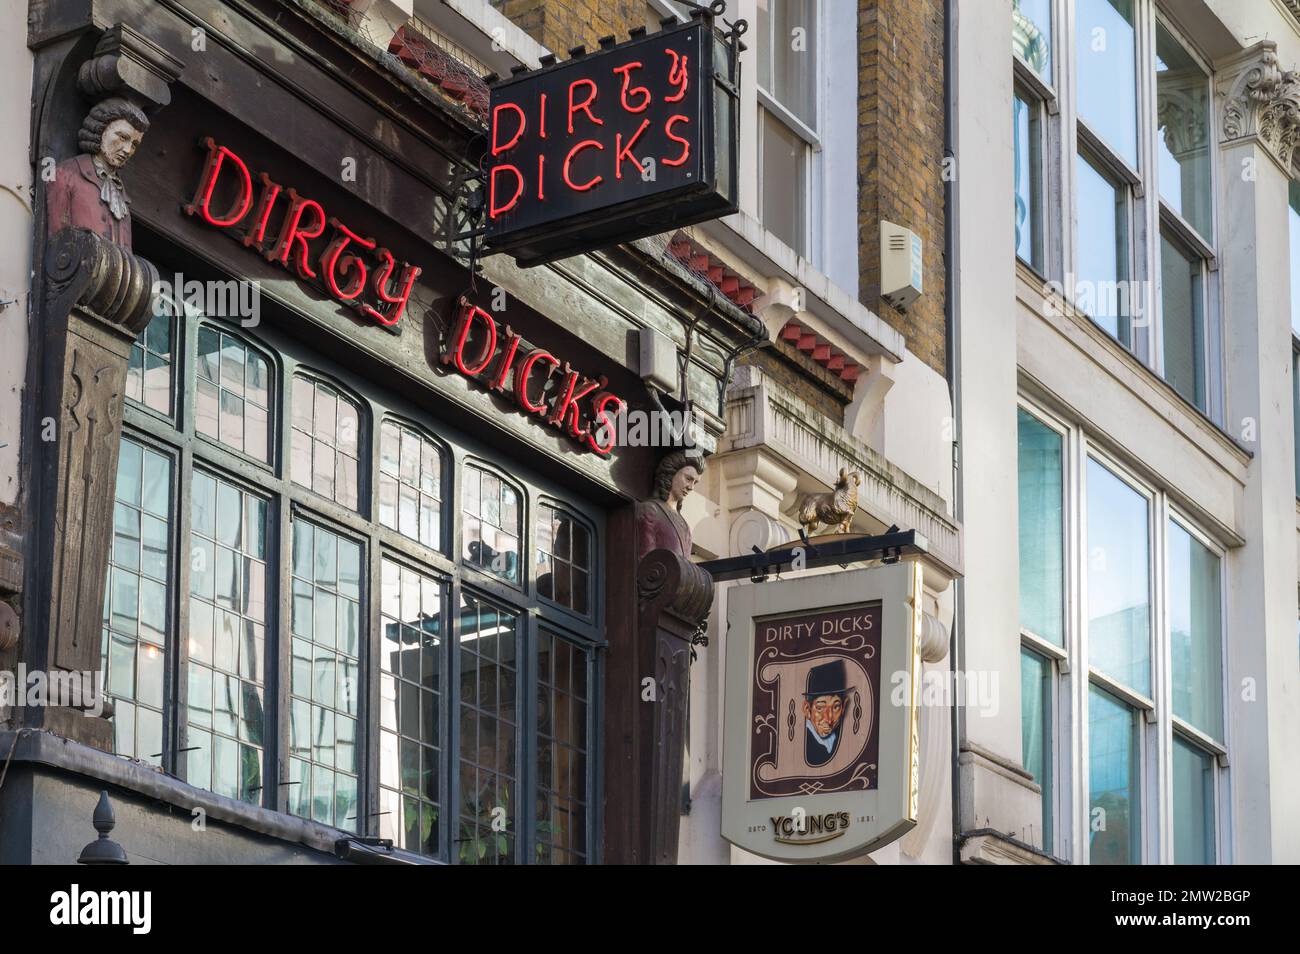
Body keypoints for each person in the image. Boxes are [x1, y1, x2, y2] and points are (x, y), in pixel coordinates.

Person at [46, 97, 150, 246]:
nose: (127, 150)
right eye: (122, 137)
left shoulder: (121, 196)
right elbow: (56, 244)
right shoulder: (66, 174)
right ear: (101, 129)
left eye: (134, 145)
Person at [635, 448, 704, 561]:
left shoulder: (684, 524)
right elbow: (645, 560)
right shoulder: (651, 510)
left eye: (695, 482)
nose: (691, 487)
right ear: (671, 474)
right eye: (688, 479)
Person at [803, 660, 849, 767]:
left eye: (836, 707)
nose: (828, 719)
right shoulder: (805, 743)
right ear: (807, 709)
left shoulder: (841, 739)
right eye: (820, 708)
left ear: (844, 707)